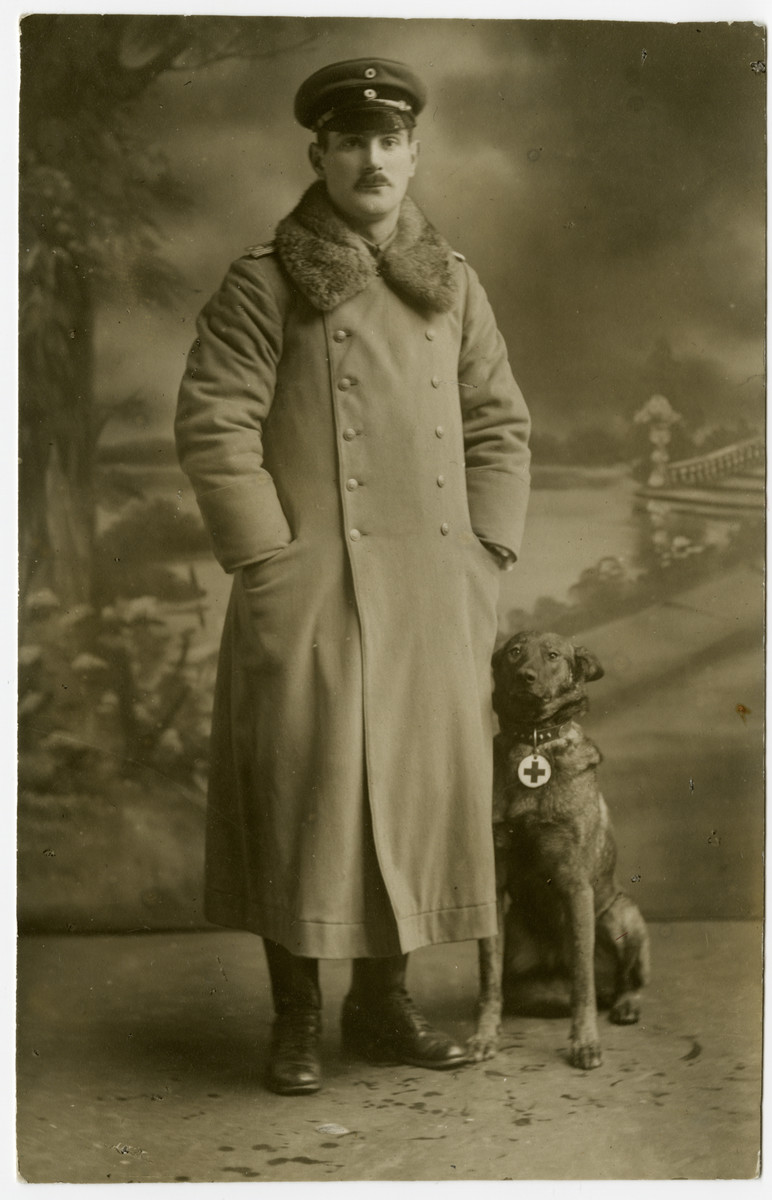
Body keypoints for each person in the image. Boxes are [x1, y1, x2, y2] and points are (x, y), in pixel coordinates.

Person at [175, 57, 531, 1095]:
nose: (372, 160)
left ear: (413, 152)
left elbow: (498, 424)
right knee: (305, 795)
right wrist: (267, 559)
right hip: (311, 587)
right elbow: (213, 423)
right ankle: (295, 1019)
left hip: (432, 594)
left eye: (389, 141)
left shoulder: (453, 281)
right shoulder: (263, 280)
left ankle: (383, 1006)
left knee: (415, 798)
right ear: (318, 156)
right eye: (351, 142)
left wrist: (485, 551)